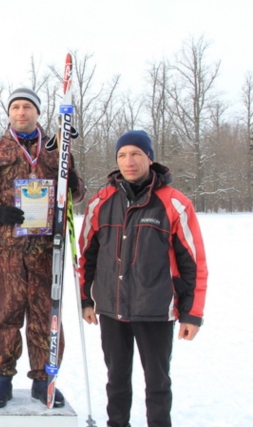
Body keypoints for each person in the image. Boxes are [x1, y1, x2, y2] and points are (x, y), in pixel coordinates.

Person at [0, 88, 85, 408]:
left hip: (47, 252)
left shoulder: (56, 150)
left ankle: (44, 380)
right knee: (4, 315)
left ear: (38, 113)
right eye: (16, 107)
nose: (21, 112)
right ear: (9, 113)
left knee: (46, 319)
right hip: (7, 253)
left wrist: (67, 162)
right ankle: (2, 378)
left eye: (28, 107)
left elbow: (78, 192)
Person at [78, 130, 208, 427]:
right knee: (117, 380)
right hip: (111, 308)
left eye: (136, 153)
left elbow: (194, 264)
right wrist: (86, 298)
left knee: (158, 383)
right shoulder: (101, 202)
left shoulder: (175, 204)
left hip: (156, 310)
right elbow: (86, 256)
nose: (129, 161)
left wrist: (192, 314)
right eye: (122, 155)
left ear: (150, 157)